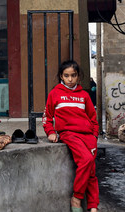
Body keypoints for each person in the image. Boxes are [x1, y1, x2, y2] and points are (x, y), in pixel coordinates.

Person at [42, 60, 99, 212]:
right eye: (66, 76)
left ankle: (93, 206)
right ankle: (77, 199)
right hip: (69, 134)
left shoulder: (84, 95)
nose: (70, 79)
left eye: (73, 75)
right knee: (86, 160)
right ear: (61, 76)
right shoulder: (55, 93)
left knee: (91, 170)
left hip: (88, 136)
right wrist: (51, 132)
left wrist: (94, 135)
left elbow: (93, 119)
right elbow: (47, 117)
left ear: (78, 76)